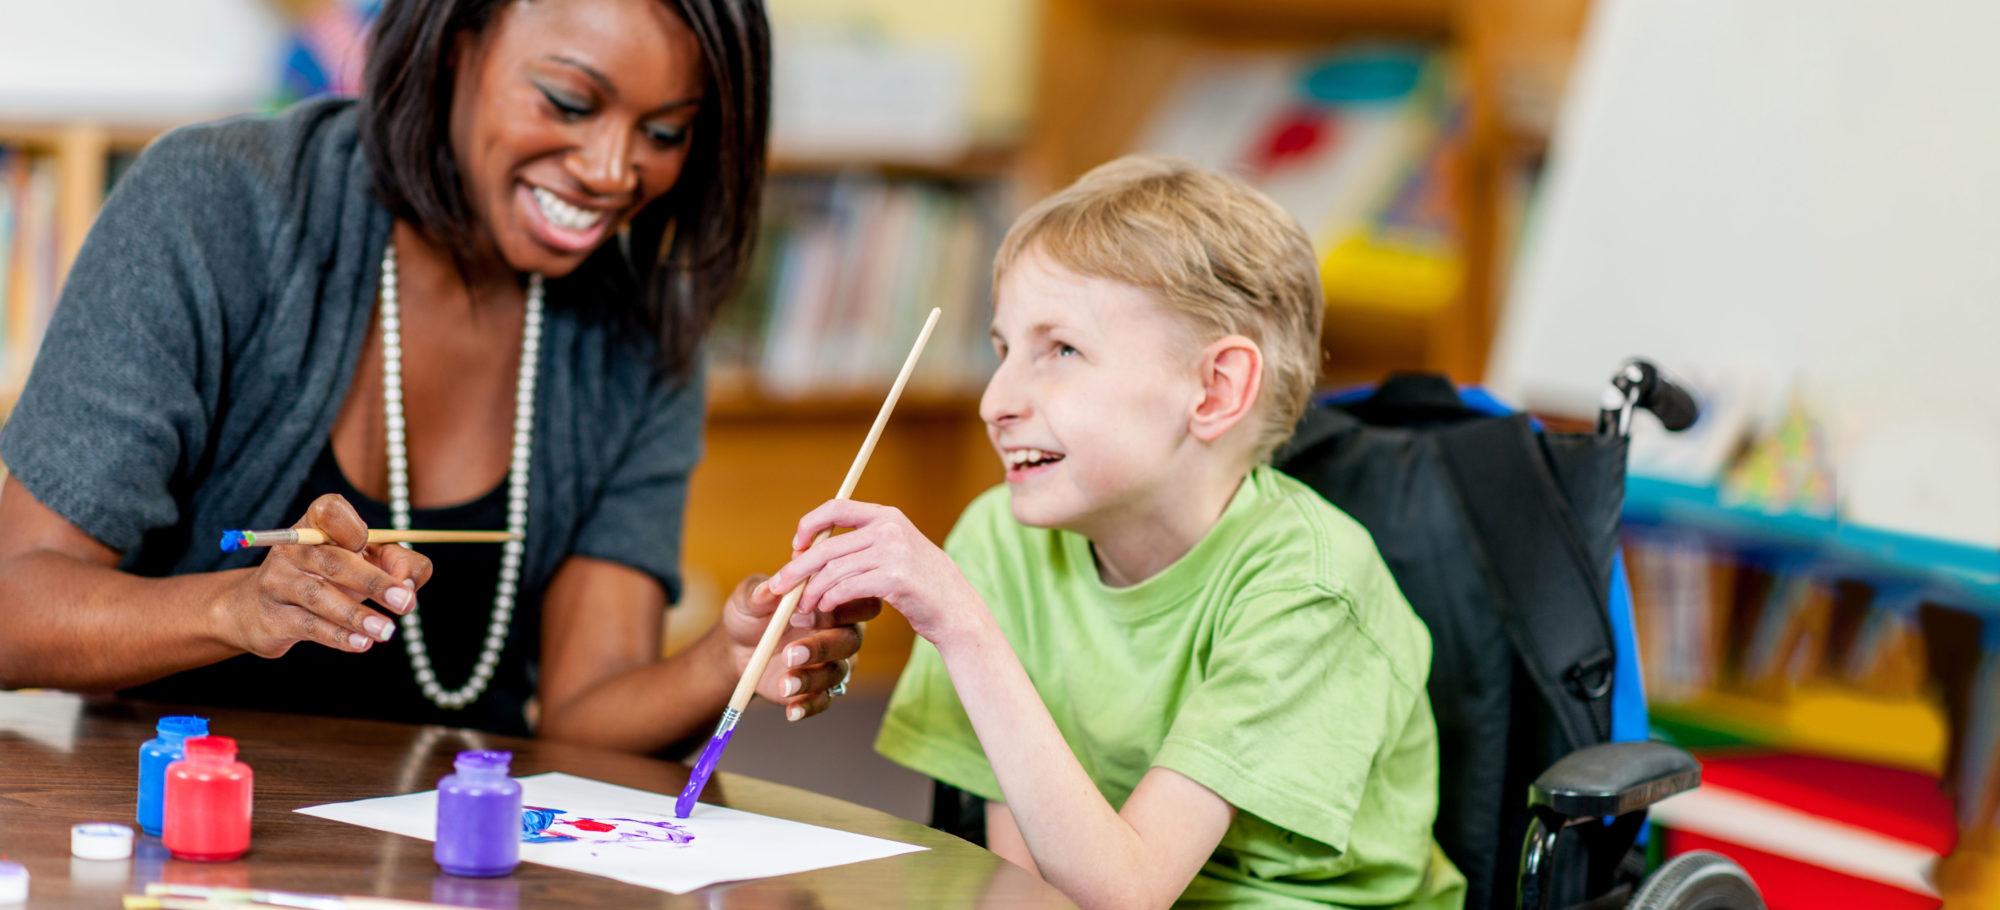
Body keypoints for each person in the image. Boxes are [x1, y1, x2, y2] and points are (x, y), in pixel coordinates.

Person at [0, 0, 872, 750]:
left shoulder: (637, 328)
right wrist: (240, 608)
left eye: (665, 132)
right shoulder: (216, 206)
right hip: (178, 833)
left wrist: (734, 654)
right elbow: (14, 606)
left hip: (464, 855)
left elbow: (583, 715)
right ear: (459, 41)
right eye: (569, 100)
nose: (613, 171)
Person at [765, 157, 1466, 907]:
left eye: (1060, 350)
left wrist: (961, 624)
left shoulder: (1310, 588)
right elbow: (1031, 884)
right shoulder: (1001, 541)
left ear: (1215, 389)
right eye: (1002, 350)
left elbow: (1125, 895)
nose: (995, 402)